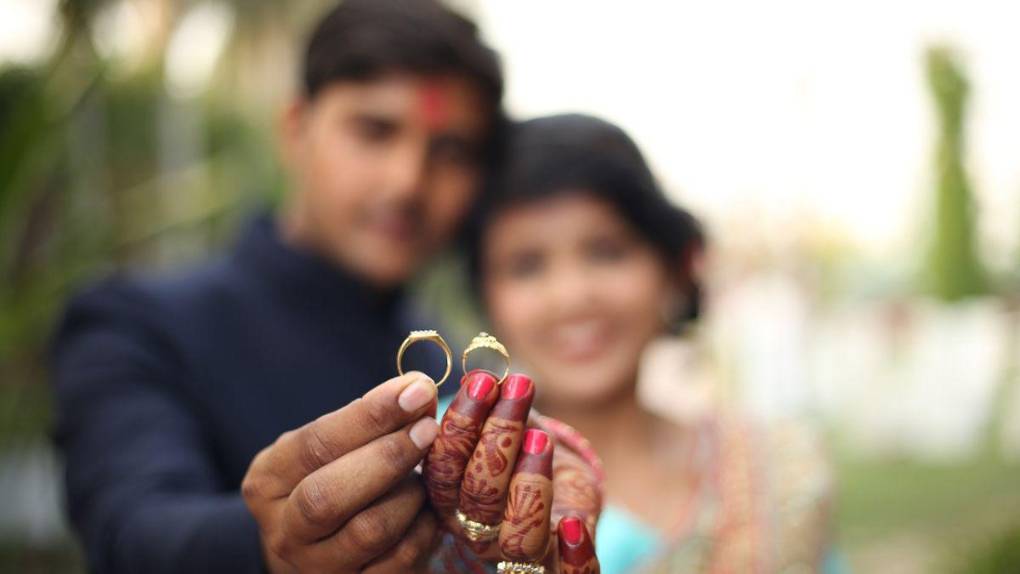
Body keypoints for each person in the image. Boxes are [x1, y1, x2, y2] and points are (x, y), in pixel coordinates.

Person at [49, 2, 598, 573]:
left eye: (450, 151)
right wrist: (271, 545)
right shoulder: (135, 325)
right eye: (375, 130)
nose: (408, 181)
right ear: (296, 128)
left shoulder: (465, 380)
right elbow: (132, 530)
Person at [460, 114, 840, 573]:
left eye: (606, 251)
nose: (573, 296)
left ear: (670, 270)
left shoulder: (780, 475)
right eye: (527, 265)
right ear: (486, 295)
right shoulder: (439, 463)